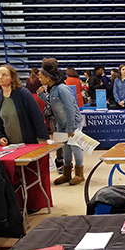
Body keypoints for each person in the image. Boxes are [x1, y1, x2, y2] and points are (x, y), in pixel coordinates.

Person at [37, 58, 84, 186]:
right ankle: (67, 173)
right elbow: (52, 106)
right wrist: (41, 95)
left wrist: (71, 128)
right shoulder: (52, 89)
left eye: (41, 76)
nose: (39, 78)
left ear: (48, 77)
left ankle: (79, 174)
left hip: (72, 123)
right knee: (66, 149)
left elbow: (69, 109)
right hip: (61, 124)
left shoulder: (62, 89)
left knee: (75, 147)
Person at [0, 65, 49, 146]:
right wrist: (0, 136)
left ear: (12, 78)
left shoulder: (23, 93)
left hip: (28, 143)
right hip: (9, 146)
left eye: (4, 75)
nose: (0, 77)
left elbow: (37, 116)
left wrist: (42, 138)